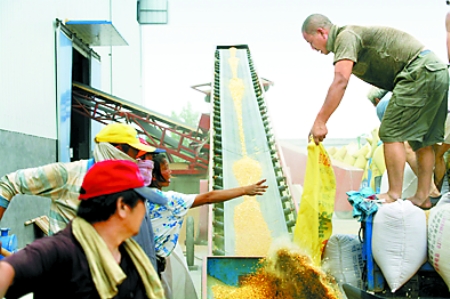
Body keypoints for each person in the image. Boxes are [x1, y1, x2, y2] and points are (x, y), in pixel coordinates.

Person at [302, 14, 449, 209]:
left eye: (311, 42)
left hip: (419, 70)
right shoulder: (351, 36)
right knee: (422, 139)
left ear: (322, 32)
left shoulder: (345, 37)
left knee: (390, 132)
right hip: (436, 70)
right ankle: (423, 196)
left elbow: (340, 81)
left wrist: (320, 121)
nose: (313, 49)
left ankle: (393, 194)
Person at [0, 122, 167, 270]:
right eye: (135, 153)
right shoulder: (68, 175)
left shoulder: (129, 188)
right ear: (117, 151)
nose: (137, 161)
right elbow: (10, 183)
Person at [0, 160, 165, 298]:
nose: (145, 210)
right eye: (142, 202)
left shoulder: (130, 255)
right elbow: (6, 271)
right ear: (122, 206)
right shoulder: (60, 251)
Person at [148, 153, 268, 298]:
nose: (170, 171)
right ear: (154, 176)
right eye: (166, 168)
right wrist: (244, 190)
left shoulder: (138, 196)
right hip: (155, 264)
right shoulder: (168, 200)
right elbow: (208, 197)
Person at [367, 87, 445, 200]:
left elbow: (404, 145)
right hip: (441, 105)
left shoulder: (385, 105)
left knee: (408, 146)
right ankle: (435, 192)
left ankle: (432, 191)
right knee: (438, 154)